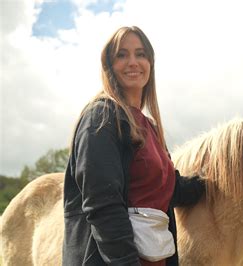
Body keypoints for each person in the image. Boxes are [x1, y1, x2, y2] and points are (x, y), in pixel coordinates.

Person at [62, 26, 205, 266]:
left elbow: (168, 189)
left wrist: (212, 182)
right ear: (108, 65)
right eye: (121, 55)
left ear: (150, 63)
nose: (133, 62)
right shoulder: (101, 119)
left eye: (140, 54)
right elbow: (103, 205)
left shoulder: (149, 127)